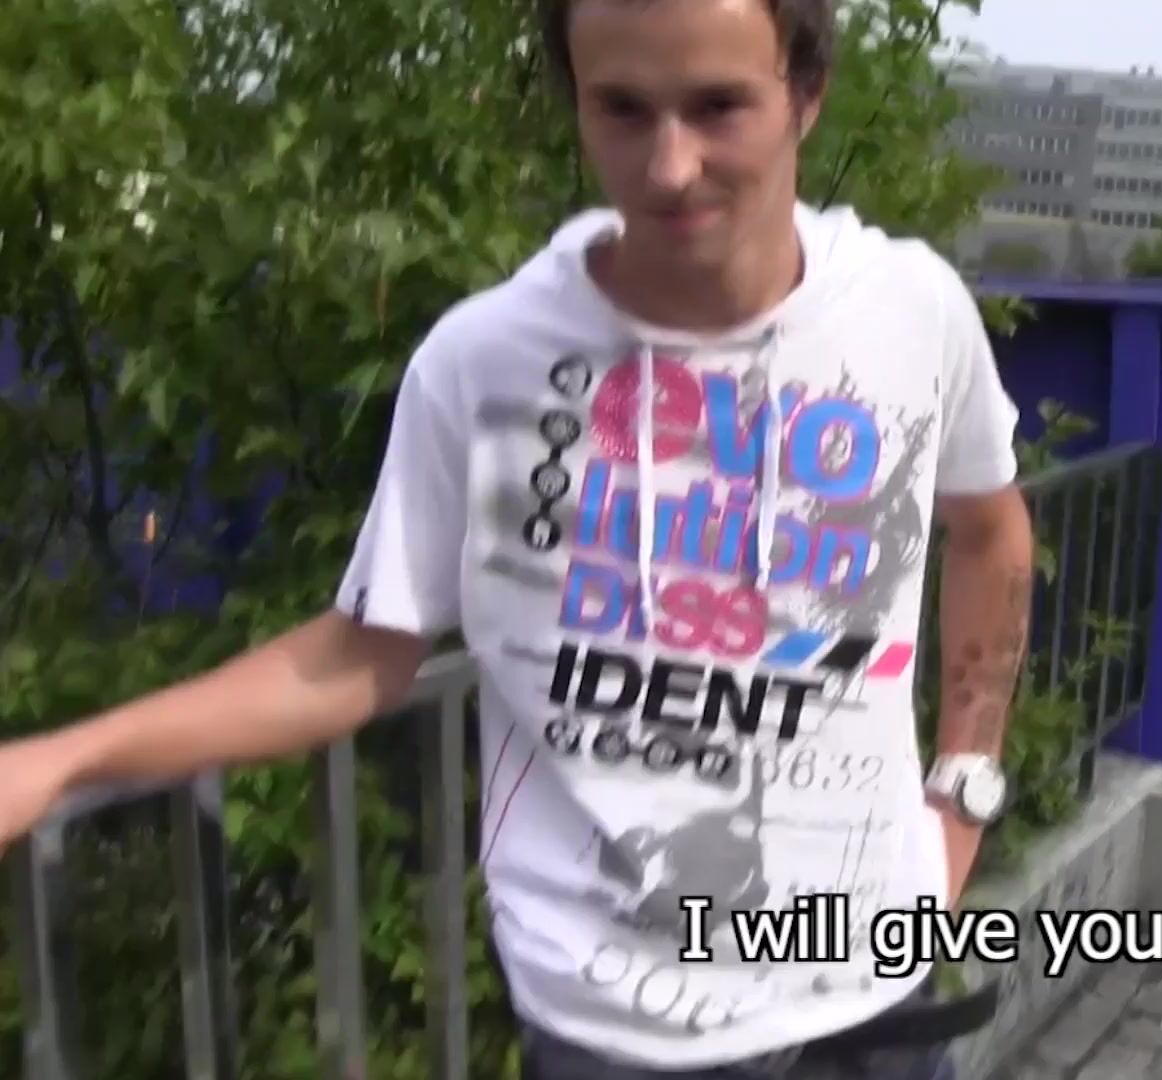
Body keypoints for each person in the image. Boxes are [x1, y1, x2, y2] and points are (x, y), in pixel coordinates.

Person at [0, 0, 1035, 1075]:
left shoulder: (910, 314)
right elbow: (362, 652)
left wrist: (964, 786)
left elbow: (990, 531)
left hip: (869, 1005)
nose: (670, 166)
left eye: (718, 107)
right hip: (610, 1033)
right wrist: (64, 760)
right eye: (622, 109)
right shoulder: (486, 361)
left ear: (806, 95)